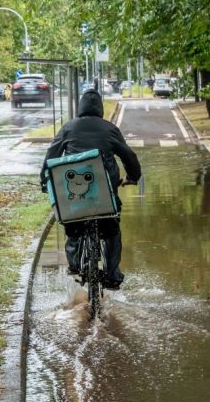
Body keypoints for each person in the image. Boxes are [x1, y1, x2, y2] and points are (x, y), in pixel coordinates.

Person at [40, 89, 141, 290]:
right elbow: (128, 155)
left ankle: (75, 265)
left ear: (80, 108)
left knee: (73, 226)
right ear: (101, 109)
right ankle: (112, 274)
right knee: (112, 230)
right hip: (105, 195)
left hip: (74, 199)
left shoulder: (68, 128)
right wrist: (132, 177)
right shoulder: (109, 129)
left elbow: (51, 156)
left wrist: (45, 180)